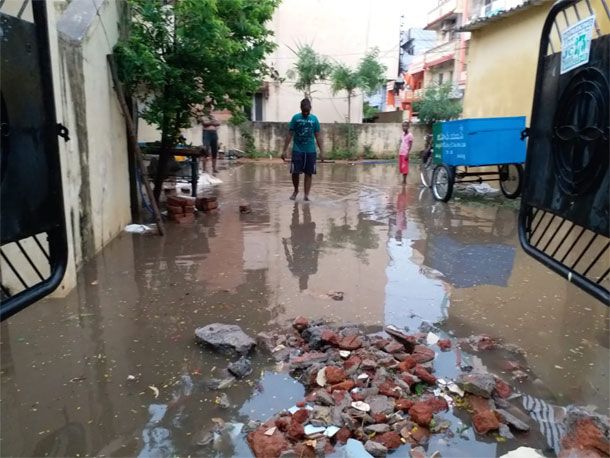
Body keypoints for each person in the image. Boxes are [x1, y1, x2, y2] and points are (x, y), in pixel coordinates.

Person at [281, 98, 324, 201]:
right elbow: (289, 134)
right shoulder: (295, 118)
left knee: (308, 173)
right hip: (297, 149)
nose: (305, 113)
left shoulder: (314, 119)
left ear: (310, 109)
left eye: (307, 111)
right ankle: (296, 190)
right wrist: (284, 150)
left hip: (311, 151)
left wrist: (322, 151)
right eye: (303, 111)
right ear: (300, 108)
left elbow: (318, 135)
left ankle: (306, 195)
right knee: (295, 172)